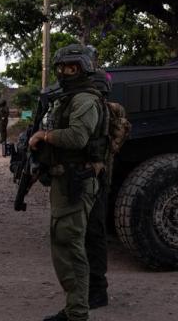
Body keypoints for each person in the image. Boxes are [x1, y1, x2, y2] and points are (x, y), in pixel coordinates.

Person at [29, 44, 108, 321]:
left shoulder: (85, 99)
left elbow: (77, 137)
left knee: (71, 247)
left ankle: (77, 313)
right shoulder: (68, 98)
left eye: (71, 67)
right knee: (64, 244)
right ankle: (75, 307)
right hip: (65, 181)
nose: (64, 72)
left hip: (77, 181)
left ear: (83, 68)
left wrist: (44, 137)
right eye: (61, 67)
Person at [83, 45, 111, 310]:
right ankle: (92, 288)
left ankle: (97, 290)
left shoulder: (97, 102)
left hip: (96, 175)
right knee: (90, 233)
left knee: (93, 233)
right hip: (96, 174)